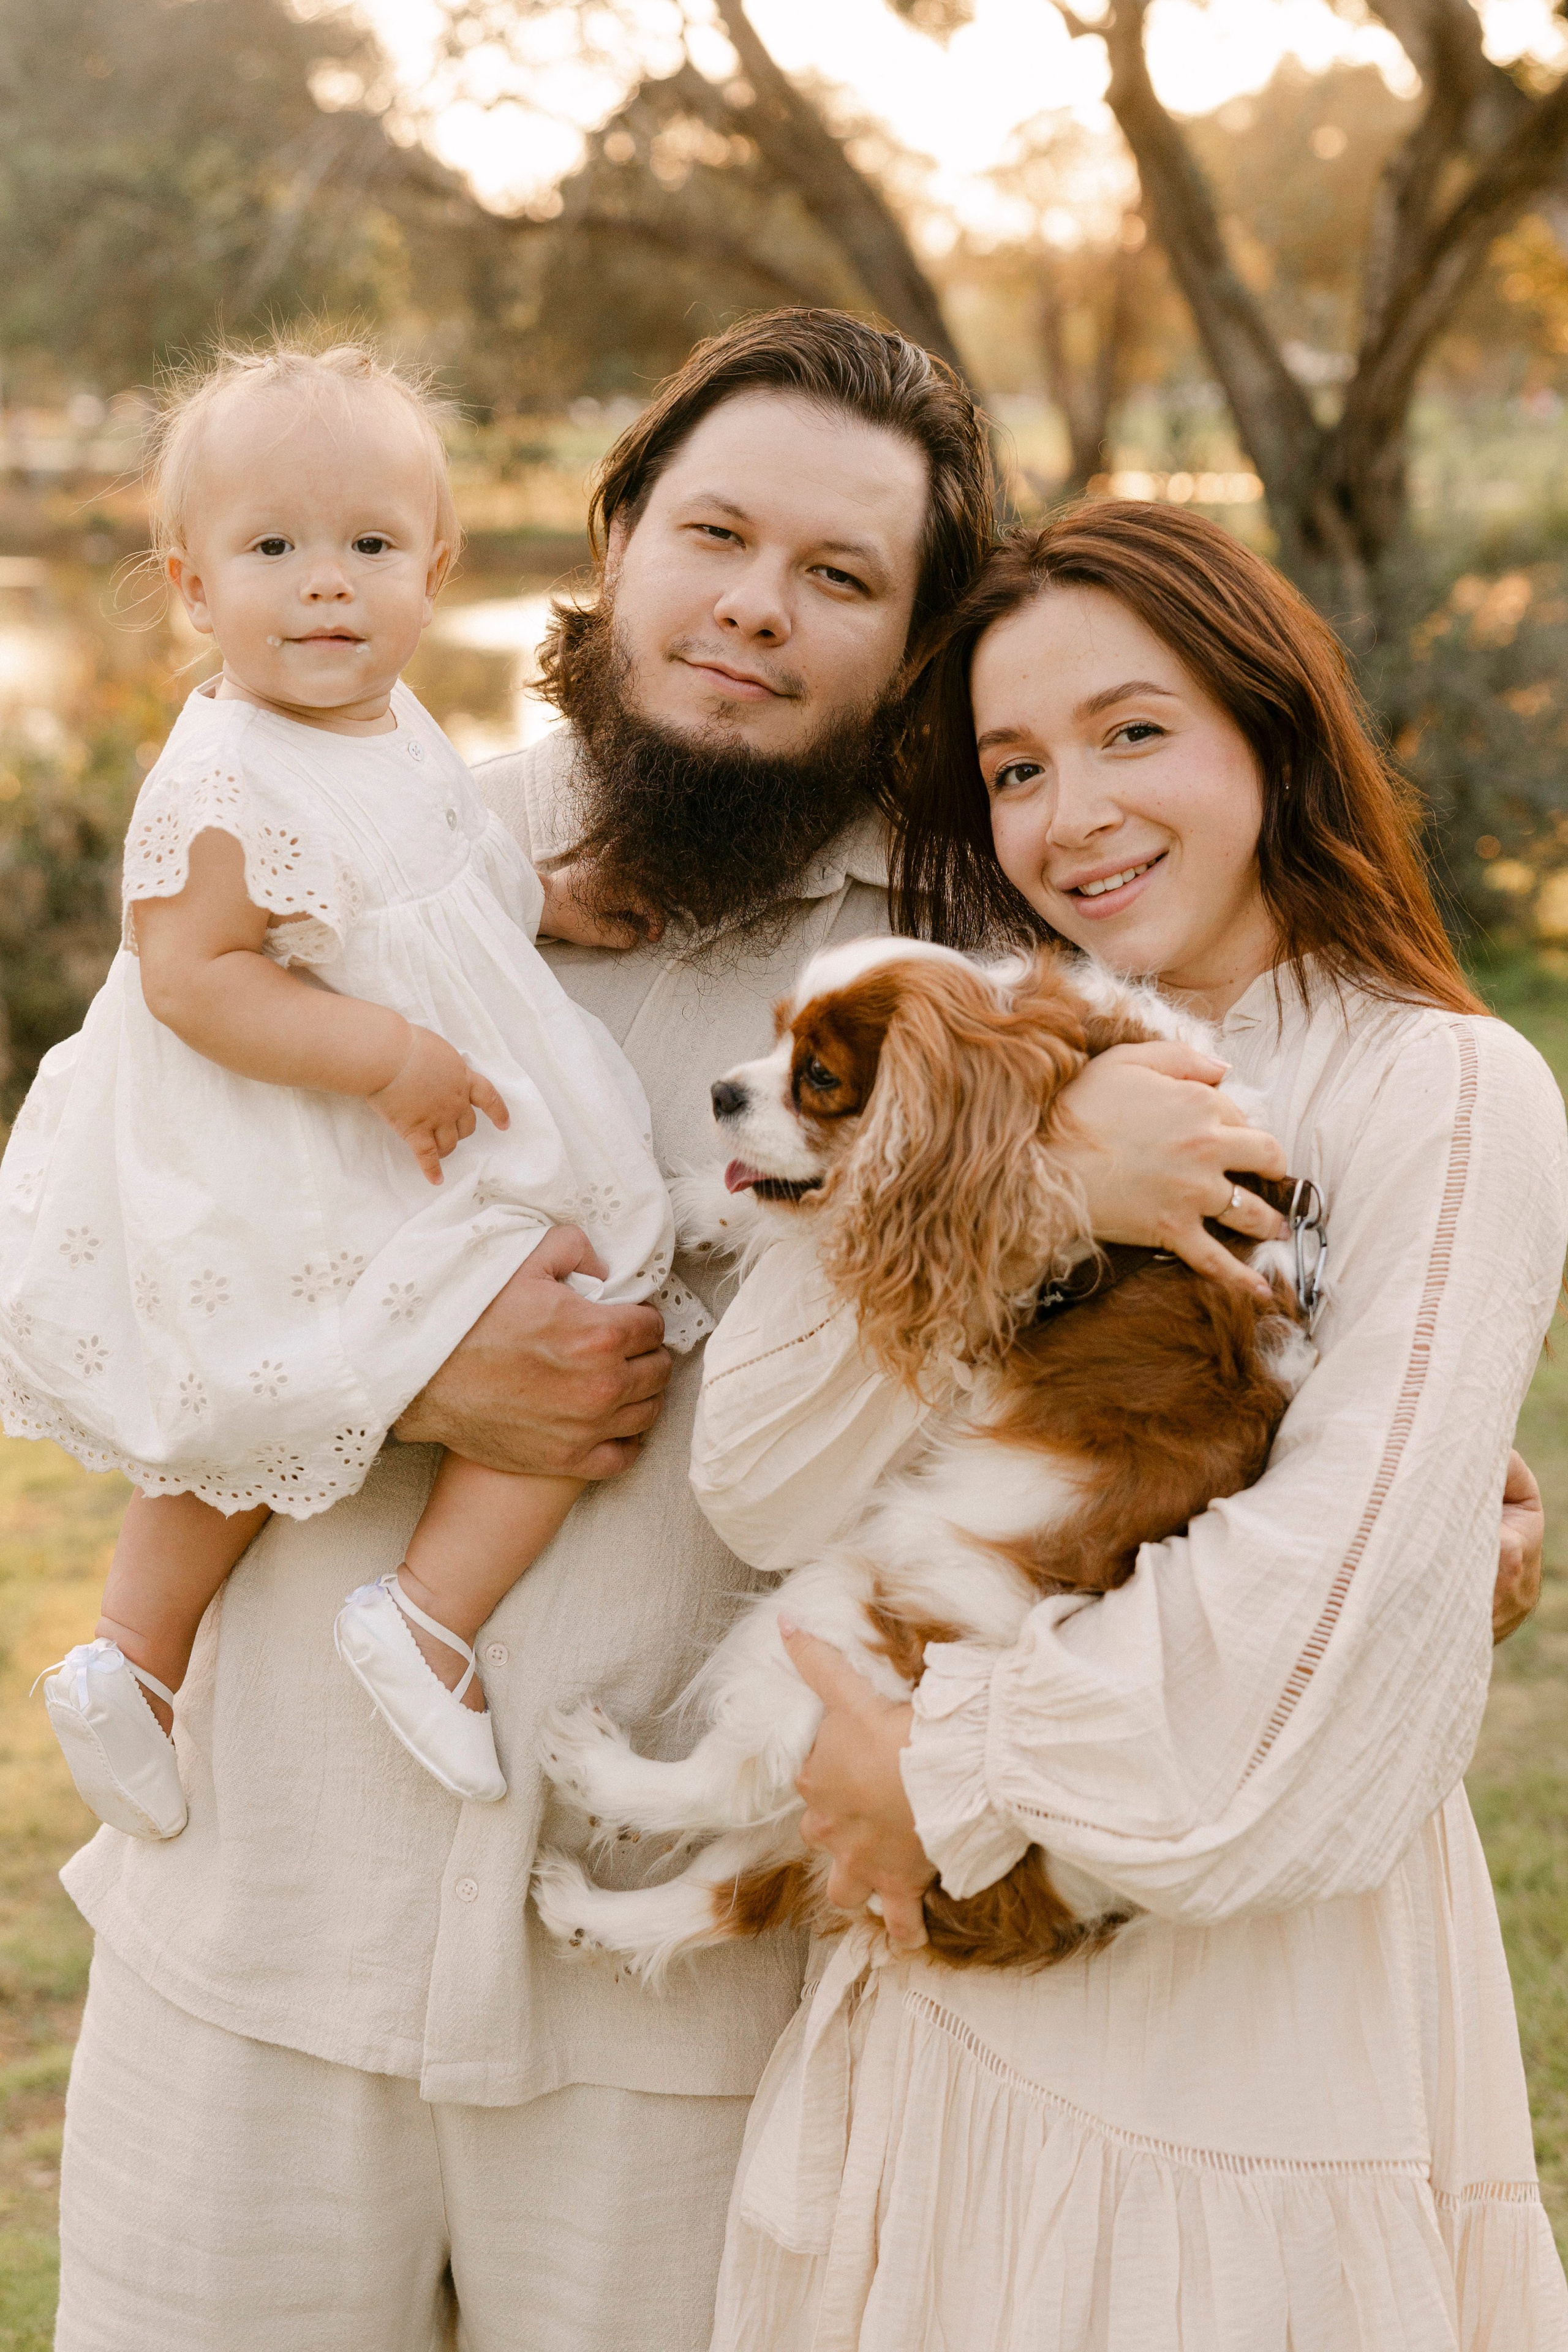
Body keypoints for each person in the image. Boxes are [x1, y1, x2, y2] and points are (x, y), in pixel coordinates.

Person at [47, 314, 1545, 2352]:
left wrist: (1446, 1516)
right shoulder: (366, 843)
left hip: (678, 2019)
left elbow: (1189, 1402)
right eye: (715, 534)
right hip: (257, 1936)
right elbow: (104, 1235)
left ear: (914, 646)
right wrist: (406, 1379)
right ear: (620, 533)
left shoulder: (992, 982)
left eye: (841, 578)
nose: (756, 608)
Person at [693, 505, 1568, 2351]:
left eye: (1133, 732)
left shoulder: (1445, 1089)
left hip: (1240, 2029)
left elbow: (1328, 1622)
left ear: (1269, 725)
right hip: (943, 2003)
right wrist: (1049, 1184)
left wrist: (946, 1770)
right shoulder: (972, 1046)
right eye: (1017, 767)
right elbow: (757, 1479)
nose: (1069, 811)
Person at [6, 334, 709, 1833]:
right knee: (315, 1366)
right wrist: (390, 1057)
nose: (327, 582)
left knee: (553, 1309)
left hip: (358, 1135)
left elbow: (422, 882)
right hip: (283, 1135)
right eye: (274, 548)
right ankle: (161, 1651)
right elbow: (196, 978)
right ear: (193, 587)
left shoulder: (388, 726)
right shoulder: (219, 779)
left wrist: (543, 899)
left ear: (434, 567)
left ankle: (385, 1625)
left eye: (370, 546)